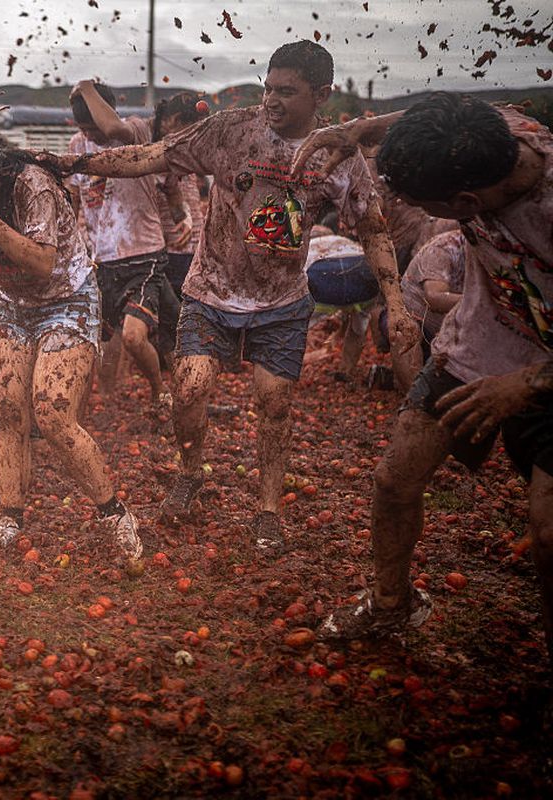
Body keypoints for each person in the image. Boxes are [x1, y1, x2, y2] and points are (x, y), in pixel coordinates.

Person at [49, 41, 417, 549]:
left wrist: (396, 305)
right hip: (210, 289)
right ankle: (190, 473)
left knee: (273, 401)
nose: (272, 100)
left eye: (287, 92)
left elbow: (373, 228)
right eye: (269, 87)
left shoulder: (339, 154)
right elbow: (152, 155)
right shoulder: (232, 130)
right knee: (191, 387)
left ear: (321, 96)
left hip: (282, 300)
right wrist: (75, 165)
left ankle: (267, 509)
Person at [293, 97, 552, 662]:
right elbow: (444, 109)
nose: (399, 207)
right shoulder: (496, 130)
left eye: (412, 201)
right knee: (394, 477)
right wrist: (358, 130)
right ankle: (391, 603)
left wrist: (526, 384)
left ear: (464, 203)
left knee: (548, 532)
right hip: (481, 339)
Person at [0, 131, 141, 560]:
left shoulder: (31, 185)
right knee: (9, 411)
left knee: (54, 414)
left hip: (67, 300)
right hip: (15, 305)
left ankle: (115, 514)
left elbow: (42, 263)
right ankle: (9, 519)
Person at [66, 80, 178, 403]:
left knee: (133, 336)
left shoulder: (136, 131)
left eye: (93, 128)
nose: (91, 136)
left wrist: (86, 87)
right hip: (102, 258)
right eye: (84, 129)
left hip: (143, 256)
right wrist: (73, 245)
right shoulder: (77, 145)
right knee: (102, 337)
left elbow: (112, 128)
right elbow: (74, 196)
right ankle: (110, 400)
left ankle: (159, 391)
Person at [151, 92, 209, 298]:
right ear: (175, 121)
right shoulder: (158, 152)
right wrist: (184, 216)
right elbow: (170, 189)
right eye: (195, 131)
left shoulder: (183, 148)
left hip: (191, 246)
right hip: (174, 246)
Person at [304, 229, 379, 382]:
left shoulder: (309, 247)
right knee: (358, 327)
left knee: (294, 323)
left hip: (323, 278)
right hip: (362, 272)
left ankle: (287, 372)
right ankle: (347, 370)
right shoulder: (346, 242)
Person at [400, 229, 466, 360]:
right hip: (420, 321)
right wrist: (477, 299)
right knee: (405, 332)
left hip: (457, 330)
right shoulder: (444, 248)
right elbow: (434, 298)